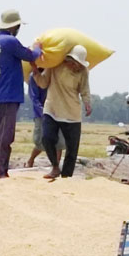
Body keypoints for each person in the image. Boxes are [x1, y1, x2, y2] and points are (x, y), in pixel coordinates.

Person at [0, 9, 42, 178]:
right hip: (9, 94)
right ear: (13, 27)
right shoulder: (10, 42)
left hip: (0, 93)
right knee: (5, 135)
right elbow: (31, 55)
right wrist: (38, 49)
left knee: (1, 134)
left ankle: (0, 169)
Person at [33, 44, 92, 179]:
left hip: (72, 113)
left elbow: (84, 89)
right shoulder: (54, 66)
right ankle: (54, 166)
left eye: (79, 64)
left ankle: (67, 177)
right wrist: (36, 72)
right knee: (47, 139)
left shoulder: (83, 71)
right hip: (52, 108)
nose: (76, 66)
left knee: (72, 150)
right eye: (74, 63)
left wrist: (87, 103)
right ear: (69, 59)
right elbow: (43, 83)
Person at [27, 71, 63, 168]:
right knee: (41, 141)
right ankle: (31, 160)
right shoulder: (33, 76)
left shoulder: (55, 74)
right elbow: (34, 98)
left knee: (59, 140)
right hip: (41, 114)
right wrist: (43, 111)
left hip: (57, 111)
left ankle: (56, 165)